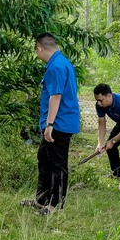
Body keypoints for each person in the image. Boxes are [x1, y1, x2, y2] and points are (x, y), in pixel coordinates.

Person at [21, 33, 79, 216]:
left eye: (37, 52)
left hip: (58, 124)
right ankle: (42, 199)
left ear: (40, 48)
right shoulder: (61, 62)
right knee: (44, 161)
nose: (38, 56)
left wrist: (49, 125)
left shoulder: (56, 66)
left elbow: (56, 96)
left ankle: (55, 205)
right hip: (56, 122)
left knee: (57, 164)